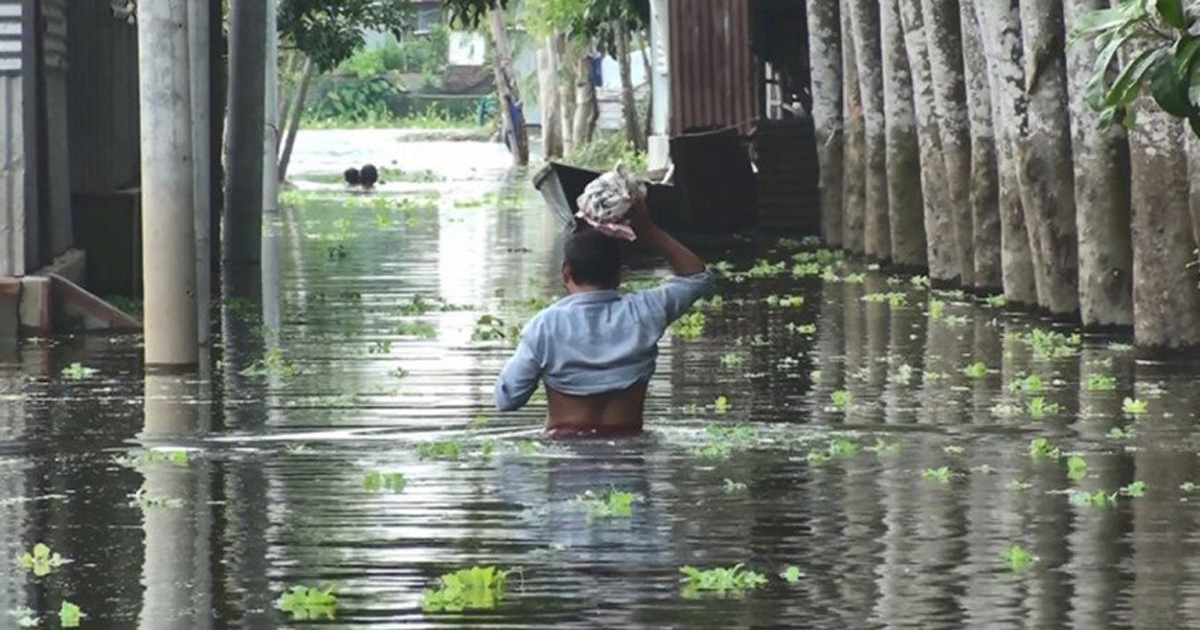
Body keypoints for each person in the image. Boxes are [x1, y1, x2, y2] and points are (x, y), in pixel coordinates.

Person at [494, 198, 714, 436]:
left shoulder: (545, 326)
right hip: (630, 448)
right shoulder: (645, 312)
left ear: (566, 272)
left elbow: (507, 399)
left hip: (566, 449)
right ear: (619, 275)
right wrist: (647, 230)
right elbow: (698, 278)